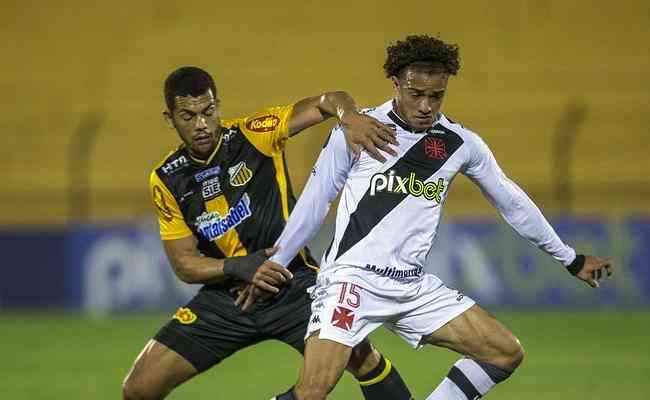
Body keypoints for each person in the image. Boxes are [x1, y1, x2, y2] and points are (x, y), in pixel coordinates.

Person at [246, 35, 613, 400]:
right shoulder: (359, 129)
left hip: (411, 287)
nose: (425, 105)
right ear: (396, 83)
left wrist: (571, 258)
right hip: (352, 282)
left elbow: (511, 201)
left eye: (436, 96)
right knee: (311, 392)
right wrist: (276, 262)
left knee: (504, 352)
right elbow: (315, 201)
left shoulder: (460, 143)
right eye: (415, 93)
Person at [121, 66, 415, 400]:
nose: (202, 125)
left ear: (218, 106)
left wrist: (349, 115)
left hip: (293, 284)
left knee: (364, 360)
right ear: (169, 118)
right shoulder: (166, 178)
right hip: (228, 298)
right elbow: (184, 264)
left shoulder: (253, 134)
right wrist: (238, 267)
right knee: (138, 388)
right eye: (188, 116)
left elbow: (326, 101)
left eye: (208, 112)